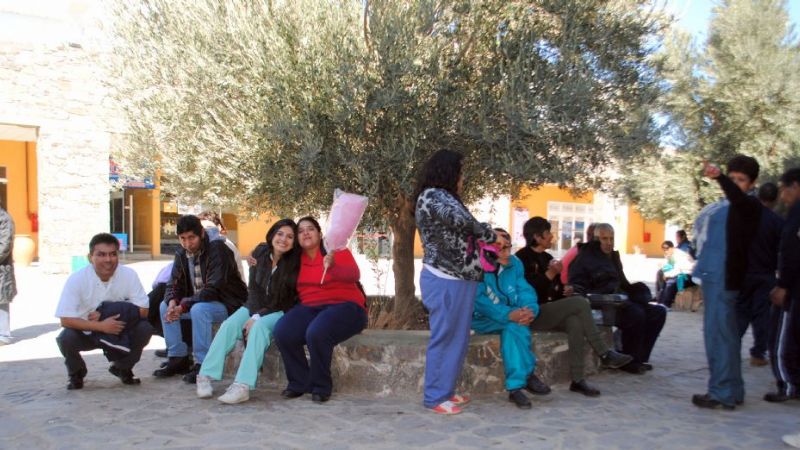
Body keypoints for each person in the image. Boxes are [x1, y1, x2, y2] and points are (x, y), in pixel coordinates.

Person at [413, 149, 506, 415]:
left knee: (457, 339)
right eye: (460, 173)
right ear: (448, 171)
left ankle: (445, 392)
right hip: (444, 279)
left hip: (459, 279)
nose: (462, 178)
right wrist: (490, 235)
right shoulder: (431, 196)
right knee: (445, 338)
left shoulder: (442, 197)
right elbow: (461, 221)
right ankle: (434, 398)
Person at [515, 218, 632, 397]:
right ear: (537, 237)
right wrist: (551, 273)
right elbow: (528, 291)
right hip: (533, 312)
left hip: (549, 310)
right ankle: (604, 352)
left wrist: (564, 290)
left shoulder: (547, 257)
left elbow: (554, 291)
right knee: (580, 303)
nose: (551, 236)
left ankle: (578, 380)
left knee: (575, 321)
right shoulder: (521, 258)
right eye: (548, 233)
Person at [196, 219, 300, 403]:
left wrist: (258, 317)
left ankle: (242, 385)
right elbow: (254, 290)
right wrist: (253, 313)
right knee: (229, 325)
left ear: (295, 241)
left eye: (290, 236)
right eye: (280, 234)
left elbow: (283, 300)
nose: (284, 239)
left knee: (259, 328)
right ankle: (205, 375)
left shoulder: (295, 264)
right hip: (256, 305)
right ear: (272, 235)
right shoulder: (260, 252)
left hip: (280, 310)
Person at [691, 155, 761, 410]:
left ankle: (721, 392)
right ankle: (733, 389)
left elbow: (738, 199)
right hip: (714, 276)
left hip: (724, 278)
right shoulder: (725, 206)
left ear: (752, 183)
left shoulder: (749, 206)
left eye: (740, 180)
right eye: (732, 178)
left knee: (719, 337)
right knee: (727, 336)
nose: (734, 184)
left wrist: (720, 177)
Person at [272, 216, 367, 404]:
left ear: (319, 233)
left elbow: (354, 274)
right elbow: (272, 249)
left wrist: (332, 266)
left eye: (310, 229)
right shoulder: (296, 258)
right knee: (282, 331)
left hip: (347, 306)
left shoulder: (336, 249)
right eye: (300, 231)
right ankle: (299, 382)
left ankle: (321, 386)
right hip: (310, 307)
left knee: (317, 332)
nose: (305, 233)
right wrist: (255, 255)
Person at [154, 215, 247, 383]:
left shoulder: (218, 249)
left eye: (191, 238)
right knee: (163, 306)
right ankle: (177, 358)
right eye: (183, 239)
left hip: (228, 304)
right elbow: (173, 283)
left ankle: (202, 364)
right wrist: (173, 301)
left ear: (201, 234)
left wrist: (183, 306)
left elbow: (213, 288)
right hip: (197, 302)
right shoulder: (182, 253)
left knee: (199, 309)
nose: (187, 243)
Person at [54, 233, 152, 389]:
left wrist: (107, 312)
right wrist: (101, 326)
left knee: (144, 328)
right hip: (87, 332)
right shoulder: (77, 279)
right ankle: (76, 372)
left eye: (113, 254)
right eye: (101, 255)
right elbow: (65, 319)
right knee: (66, 337)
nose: (108, 260)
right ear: (90, 257)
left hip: (120, 329)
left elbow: (144, 310)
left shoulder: (129, 275)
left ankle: (122, 367)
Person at [568, 223, 667, 374]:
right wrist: (607, 295)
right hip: (602, 305)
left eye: (611, 239)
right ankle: (629, 360)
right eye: (604, 239)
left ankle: (640, 358)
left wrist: (638, 292)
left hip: (620, 301)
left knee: (658, 312)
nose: (609, 242)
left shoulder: (613, 257)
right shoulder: (583, 259)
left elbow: (622, 283)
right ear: (595, 240)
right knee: (636, 313)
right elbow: (578, 288)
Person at [472, 228, 542, 409]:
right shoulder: (476, 266)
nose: (505, 251)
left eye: (507, 247)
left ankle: (515, 387)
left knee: (515, 328)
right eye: (499, 247)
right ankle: (528, 374)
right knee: (514, 323)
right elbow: (479, 301)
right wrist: (508, 314)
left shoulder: (515, 264)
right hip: (481, 318)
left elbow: (524, 290)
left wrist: (529, 310)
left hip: (509, 316)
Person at [764, 168, 800, 403]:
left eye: (784, 190)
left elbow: (792, 252)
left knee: (782, 338)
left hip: (794, 287)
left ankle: (787, 384)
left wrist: (783, 284)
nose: (782, 197)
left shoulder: (796, 215)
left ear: (794, 186)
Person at [198, 210, 246, 282]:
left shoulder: (225, 246)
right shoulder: (200, 246)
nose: (205, 232)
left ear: (218, 227)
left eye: (208, 228)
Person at [656, 241, 694, 308]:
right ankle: (660, 299)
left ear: (672, 248)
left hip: (688, 275)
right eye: (664, 250)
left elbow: (678, 270)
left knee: (672, 282)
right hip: (679, 273)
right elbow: (669, 266)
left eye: (667, 249)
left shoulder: (679, 255)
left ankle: (666, 304)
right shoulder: (670, 255)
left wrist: (667, 275)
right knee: (660, 273)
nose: (666, 251)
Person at [0, 203, 16, 345]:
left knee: (1, 302)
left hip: (1, 268)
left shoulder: (4, 219)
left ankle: (3, 334)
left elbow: (5, 244)